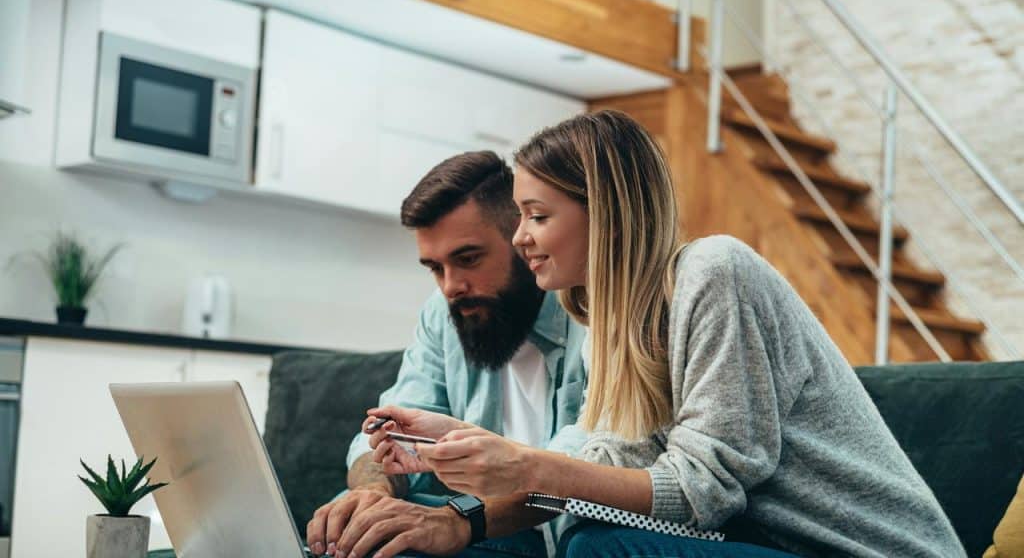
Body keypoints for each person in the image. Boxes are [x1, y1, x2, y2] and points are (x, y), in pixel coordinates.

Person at [366, 110, 966, 557]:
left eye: (538, 216)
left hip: (867, 552)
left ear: (606, 212)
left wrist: (526, 466)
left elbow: (706, 492)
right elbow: (582, 491)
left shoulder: (714, 271)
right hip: (766, 547)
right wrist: (465, 507)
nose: (521, 238)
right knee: (585, 531)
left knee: (600, 548)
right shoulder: (608, 320)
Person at [305, 150, 588, 558]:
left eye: (468, 259)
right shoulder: (444, 314)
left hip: (561, 528)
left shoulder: (590, 314)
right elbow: (389, 434)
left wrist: (459, 520)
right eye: (435, 268)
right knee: (350, 529)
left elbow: (577, 482)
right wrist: (372, 492)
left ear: (523, 238)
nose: (451, 286)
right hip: (482, 528)